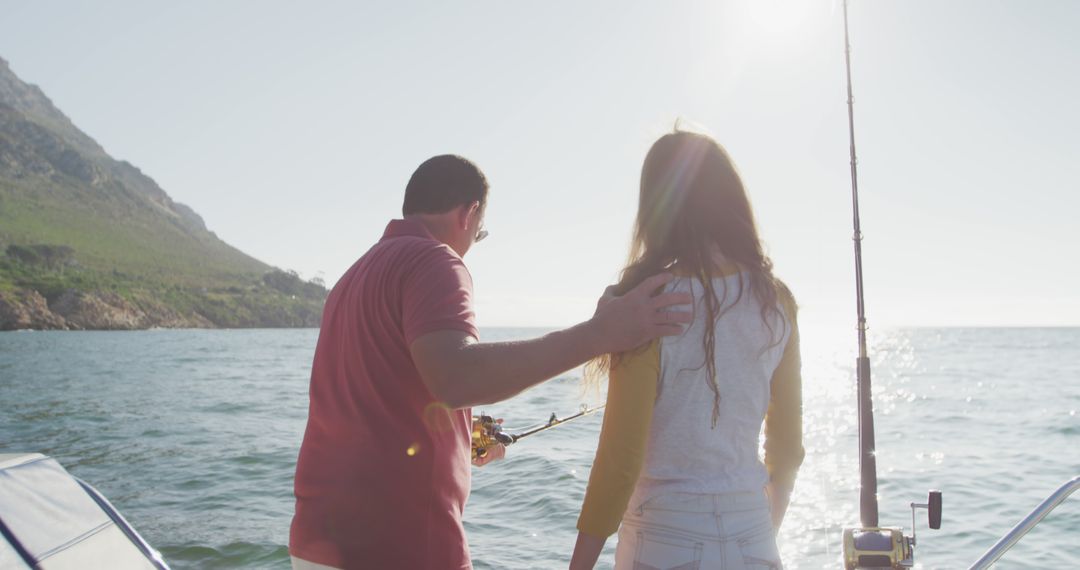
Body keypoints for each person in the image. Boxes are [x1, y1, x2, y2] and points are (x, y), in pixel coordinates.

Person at [289, 154, 693, 570]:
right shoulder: (435, 260)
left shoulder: (350, 281)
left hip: (316, 543)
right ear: (470, 213)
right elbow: (455, 378)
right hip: (400, 545)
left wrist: (461, 431)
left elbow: (378, 397)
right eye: (480, 234)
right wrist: (598, 335)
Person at [569, 131, 804, 569]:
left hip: (663, 537)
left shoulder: (646, 301)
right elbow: (787, 447)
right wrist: (759, 530)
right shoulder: (778, 300)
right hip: (753, 536)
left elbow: (621, 459)